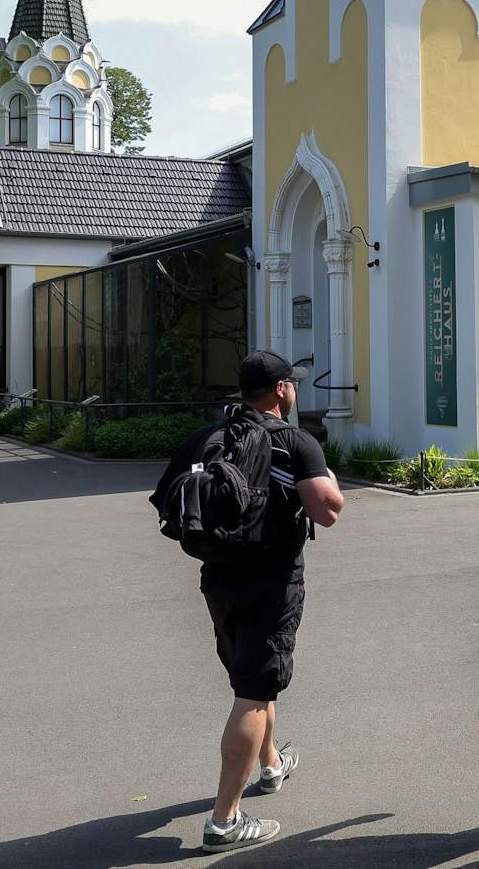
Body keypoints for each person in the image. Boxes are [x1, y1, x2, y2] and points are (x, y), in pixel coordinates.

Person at [158, 350, 343, 854]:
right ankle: (224, 821)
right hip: (272, 580)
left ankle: (270, 765)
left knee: (252, 678)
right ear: (283, 389)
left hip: (218, 576)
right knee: (253, 693)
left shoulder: (210, 437)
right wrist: (330, 482)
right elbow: (327, 511)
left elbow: (168, 501)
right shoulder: (293, 440)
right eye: (293, 384)